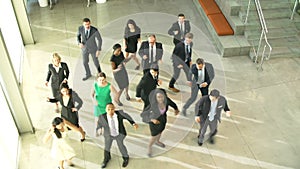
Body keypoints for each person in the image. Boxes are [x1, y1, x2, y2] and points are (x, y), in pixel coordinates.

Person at [97, 103, 138, 168]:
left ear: (114, 109)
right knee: (107, 148)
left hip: (119, 134)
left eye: (112, 109)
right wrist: (99, 129)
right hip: (109, 135)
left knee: (121, 146)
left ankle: (126, 158)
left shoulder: (119, 113)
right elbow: (99, 124)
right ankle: (106, 159)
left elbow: (127, 116)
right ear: (106, 110)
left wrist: (133, 123)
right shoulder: (102, 117)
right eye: (108, 109)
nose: (110, 111)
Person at [141, 89, 179, 157]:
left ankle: (157, 141)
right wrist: (152, 120)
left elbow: (173, 104)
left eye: (162, 96)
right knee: (153, 136)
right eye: (158, 97)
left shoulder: (166, 101)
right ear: (155, 97)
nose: (161, 99)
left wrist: (176, 109)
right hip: (154, 123)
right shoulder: (152, 105)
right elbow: (143, 115)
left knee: (161, 131)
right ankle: (149, 147)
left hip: (163, 120)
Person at [91, 72, 118, 136]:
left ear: (105, 79)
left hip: (107, 105)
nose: (102, 81)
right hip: (98, 105)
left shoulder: (109, 86)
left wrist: (114, 103)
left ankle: (104, 129)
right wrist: (94, 101)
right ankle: (97, 129)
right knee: (97, 119)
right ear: (97, 79)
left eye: (103, 80)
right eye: (100, 80)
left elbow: (116, 94)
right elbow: (92, 94)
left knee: (106, 119)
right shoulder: (95, 85)